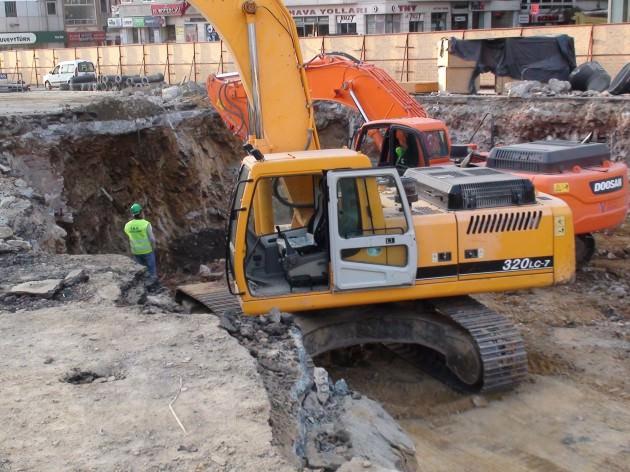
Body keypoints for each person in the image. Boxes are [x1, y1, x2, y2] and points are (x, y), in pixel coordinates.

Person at [124, 203, 157, 278]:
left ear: (132, 214)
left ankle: (143, 286)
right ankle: (153, 286)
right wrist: (154, 247)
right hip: (147, 251)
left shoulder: (127, 225)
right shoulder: (146, 224)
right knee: (151, 270)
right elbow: (152, 238)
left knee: (141, 271)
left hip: (136, 252)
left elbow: (128, 234)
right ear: (141, 212)